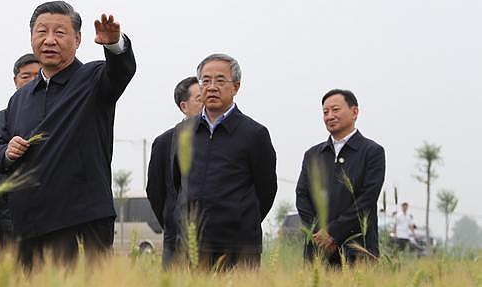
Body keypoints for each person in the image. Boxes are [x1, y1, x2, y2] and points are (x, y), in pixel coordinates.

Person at [0, 1, 136, 270]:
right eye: (42, 32)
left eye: (59, 33)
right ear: (31, 38)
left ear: (78, 39)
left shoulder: (94, 78)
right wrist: (7, 151)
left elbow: (120, 70)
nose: (49, 40)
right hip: (30, 225)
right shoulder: (20, 98)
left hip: (82, 221)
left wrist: (114, 45)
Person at [171, 53, 276, 270]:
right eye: (205, 81)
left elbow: (266, 190)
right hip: (192, 247)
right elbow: (176, 183)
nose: (211, 87)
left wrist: (241, 219)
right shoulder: (183, 132)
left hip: (238, 248)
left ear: (236, 87)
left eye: (220, 80)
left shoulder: (254, 134)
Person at [295, 89, 386, 265]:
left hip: (357, 249)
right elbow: (302, 195)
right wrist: (319, 234)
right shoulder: (313, 155)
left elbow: (367, 199)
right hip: (318, 251)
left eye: (335, 110)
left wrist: (333, 234)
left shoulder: (372, 152)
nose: (329, 116)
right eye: (325, 112)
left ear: (354, 112)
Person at [0, 53, 41, 259]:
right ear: (15, 81)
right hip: (8, 223)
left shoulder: (54, 118)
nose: (31, 81)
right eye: (25, 76)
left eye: (37, 75)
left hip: (47, 221)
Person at [145, 76, 202, 266]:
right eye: (199, 99)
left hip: (216, 242)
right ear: (184, 107)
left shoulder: (223, 139)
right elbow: (155, 191)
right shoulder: (165, 142)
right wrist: (172, 222)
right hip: (176, 243)